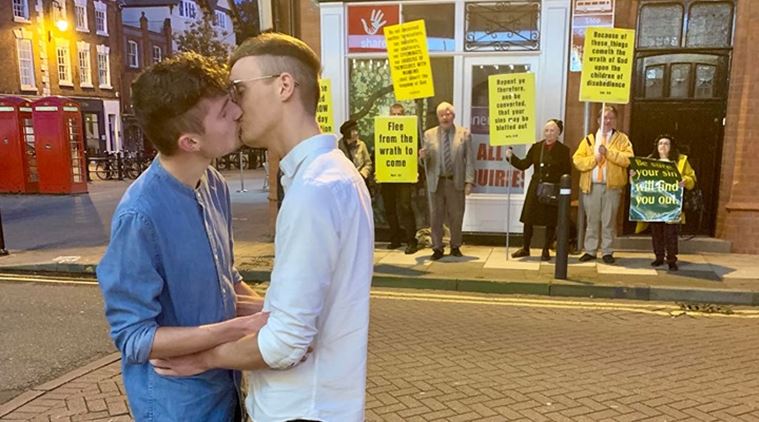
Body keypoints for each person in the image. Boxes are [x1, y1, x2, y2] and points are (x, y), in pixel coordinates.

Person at [150, 33, 374, 422]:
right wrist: (251, 311)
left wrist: (201, 358)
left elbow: (285, 344)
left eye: (238, 90)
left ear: (284, 86)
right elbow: (312, 309)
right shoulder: (333, 175)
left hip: (298, 410)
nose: (233, 107)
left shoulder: (314, 190)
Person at [96, 52, 268, 421]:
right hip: (177, 405)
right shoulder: (140, 216)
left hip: (224, 388)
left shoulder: (213, 183)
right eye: (224, 111)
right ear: (190, 141)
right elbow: (135, 338)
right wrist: (238, 328)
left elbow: (226, 278)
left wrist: (275, 312)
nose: (238, 113)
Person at [572, 105, 634, 264]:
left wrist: (609, 153)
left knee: (609, 221)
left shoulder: (622, 139)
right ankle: (590, 250)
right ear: (598, 120)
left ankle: (607, 251)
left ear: (615, 120)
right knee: (592, 220)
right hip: (591, 186)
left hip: (611, 187)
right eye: (604, 118)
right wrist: (595, 159)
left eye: (611, 118)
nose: (607, 121)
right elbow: (577, 161)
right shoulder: (589, 139)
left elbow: (628, 160)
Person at [506, 119, 572, 261]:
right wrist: (511, 157)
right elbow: (524, 164)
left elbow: (567, 172)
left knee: (550, 221)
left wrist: (562, 190)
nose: (548, 134)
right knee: (528, 218)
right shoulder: (536, 147)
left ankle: (545, 250)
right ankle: (525, 247)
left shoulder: (563, 150)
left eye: (552, 131)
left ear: (558, 133)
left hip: (553, 189)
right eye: (546, 130)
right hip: (536, 187)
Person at [420, 101, 475, 260]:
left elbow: (470, 160)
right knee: (435, 216)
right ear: (438, 117)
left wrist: (469, 182)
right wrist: (422, 158)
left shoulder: (464, 134)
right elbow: (425, 163)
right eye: (442, 115)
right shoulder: (428, 135)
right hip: (436, 183)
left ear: (453, 115)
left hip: (455, 181)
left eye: (448, 114)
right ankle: (437, 247)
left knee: (456, 215)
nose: (445, 117)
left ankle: (455, 245)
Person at [633, 135, 697, 271]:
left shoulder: (680, 161)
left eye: (666, 144)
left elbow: (692, 178)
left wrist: (685, 180)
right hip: (655, 203)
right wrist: (634, 175)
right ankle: (659, 257)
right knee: (656, 232)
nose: (663, 146)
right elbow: (640, 180)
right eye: (660, 143)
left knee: (670, 233)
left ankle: (672, 259)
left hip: (671, 203)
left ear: (671, 147)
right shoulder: (649, 161)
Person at [380, 103, 418, 254]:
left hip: (405, 174)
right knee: (389, 208)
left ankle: (411, 240)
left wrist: (416, 170)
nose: (396, 117)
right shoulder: (383, 130)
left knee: (405, 206)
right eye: (393, 114)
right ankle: (395, 237)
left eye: (399, 114)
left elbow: (415, 152)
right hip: (387, 174)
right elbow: (380, 151)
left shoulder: (411, 131)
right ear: (389, 115)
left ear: (404, 115)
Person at [338, 119, 372, 185]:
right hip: (346, 183)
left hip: (361, 182)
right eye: (353, 131)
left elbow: (368, 164)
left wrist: (362, 175)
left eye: (356, 130)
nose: (356, 133)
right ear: (347, 133)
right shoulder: (338, 148)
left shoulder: (361, 145)